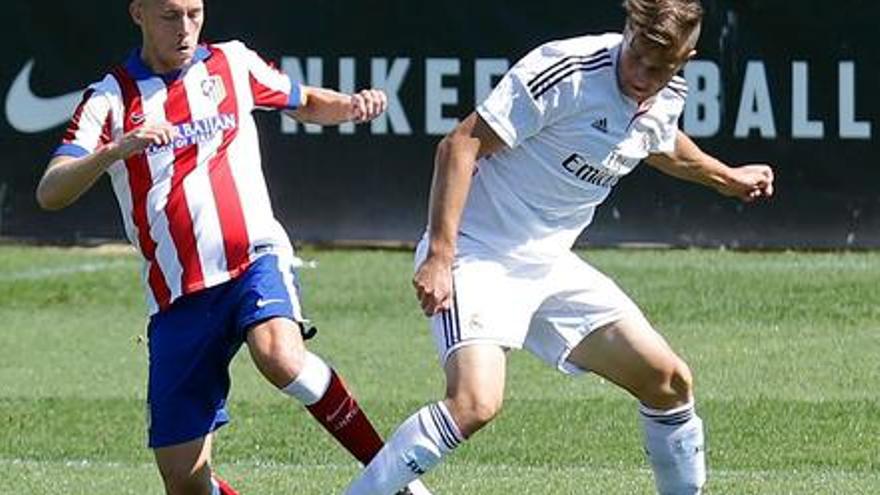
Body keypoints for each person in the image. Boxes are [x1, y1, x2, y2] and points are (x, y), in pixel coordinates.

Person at [344, 0, 774, 493]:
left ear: (686, 58)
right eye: (636, 55)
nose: (641, 74)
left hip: (550, 265)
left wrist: (726, 177)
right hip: (478, 253)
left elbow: (661, 141)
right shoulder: (566, 70)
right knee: (475, 402)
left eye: (659, 67)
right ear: (628, 29)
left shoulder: (667, 92)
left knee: (669, 382)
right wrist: (441, 256)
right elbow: (459, 145)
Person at [35, 1, 432, 494]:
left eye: (194, 13)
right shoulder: (111, 98)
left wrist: (349, 106)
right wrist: (114, 150)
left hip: (252, 259)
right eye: (169, 16)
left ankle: (394, 477)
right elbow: (50, 191)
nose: (185, 28)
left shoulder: (231, 62)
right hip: (178, 297)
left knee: (279, 356)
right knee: (184, 479)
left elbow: (303, 99)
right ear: (138, 12)